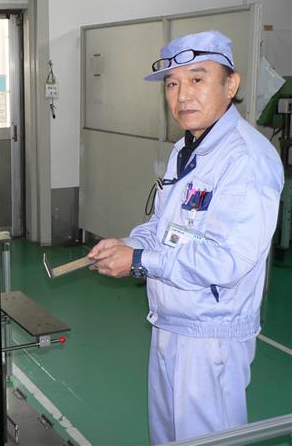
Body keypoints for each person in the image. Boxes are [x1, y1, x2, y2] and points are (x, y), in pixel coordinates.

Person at [87, 30, 284, 444]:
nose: (182, 96)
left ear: (231, 84)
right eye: (172, 84)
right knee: (168, 438)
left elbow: (228, 261)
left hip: (211, 337)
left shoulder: (246, 159)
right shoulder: (187, 148)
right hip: (171, 319)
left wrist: (140, 261)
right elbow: (165, 224)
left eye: (197, 79)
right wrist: (131, 244)